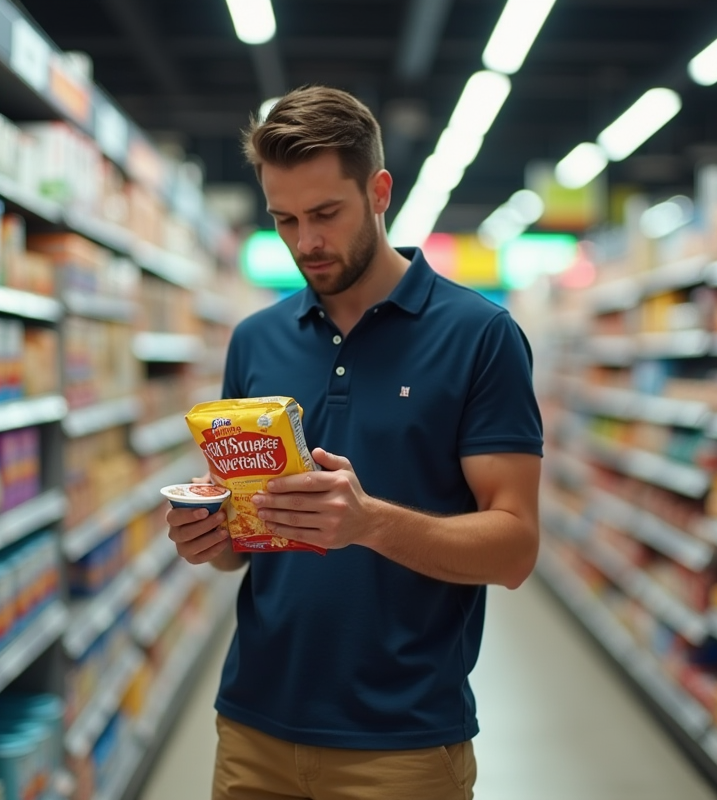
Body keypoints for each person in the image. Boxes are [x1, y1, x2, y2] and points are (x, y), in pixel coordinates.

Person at [167, 85, 544, 800]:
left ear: (378, 191)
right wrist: (210, 537)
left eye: (325, 214)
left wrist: (370, 523)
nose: (305, 241)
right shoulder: (256, 339)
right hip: (252, 727)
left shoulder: (479, 336)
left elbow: (516, 548)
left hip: (400, 743)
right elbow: (242, 546)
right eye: (284, 219)